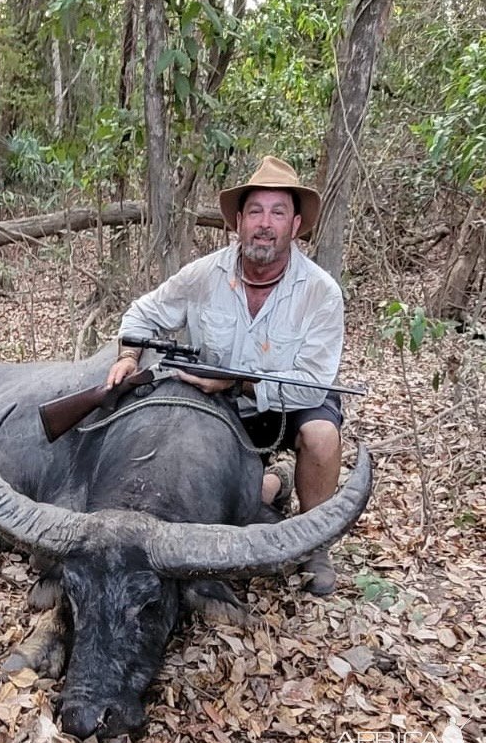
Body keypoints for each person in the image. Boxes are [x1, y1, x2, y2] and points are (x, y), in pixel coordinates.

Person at [106, 155, 344, 596]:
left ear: (295, 226)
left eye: (278, 213)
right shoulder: (203, 274)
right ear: (238, 221)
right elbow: (141, 313)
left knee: (322, 436)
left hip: (286, 400)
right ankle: (268, 488)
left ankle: (315, 544)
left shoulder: (321, 293)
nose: (265, 224)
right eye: (255, 211)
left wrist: (240, 381)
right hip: (213, 407)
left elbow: (312, 379)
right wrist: (128, 354)